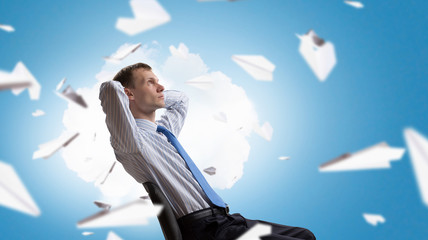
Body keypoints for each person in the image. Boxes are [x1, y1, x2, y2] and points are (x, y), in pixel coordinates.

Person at [100, 62, 316, 240]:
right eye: (150, 82)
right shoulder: (133, 142)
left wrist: (152, 93)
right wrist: (128, 92)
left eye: (158, 81)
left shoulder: (164, 133)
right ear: (127, 93)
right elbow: (110, 89)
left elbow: (182, 100)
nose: (161, 87)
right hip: (206, 231)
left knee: (305, 235)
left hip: (227, 220)